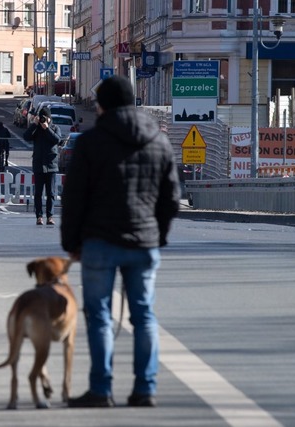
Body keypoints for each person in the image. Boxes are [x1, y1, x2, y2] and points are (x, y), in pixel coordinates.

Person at [60, 75, 180, 408]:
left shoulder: (89, 142)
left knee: (99, 316)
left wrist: (72, 242)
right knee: (144, 316)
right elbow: (171, 199)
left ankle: (101, 390)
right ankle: (146, 388)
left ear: (103, 105)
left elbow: (74, 199)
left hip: (99, 242)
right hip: (144, 242)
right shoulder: (158, 141)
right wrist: (158, 235)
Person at [23, 106, 61, 225]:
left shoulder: (55, 127)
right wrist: (34, 124)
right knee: (38, 193)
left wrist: (47, 128)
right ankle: (39, 217)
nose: (44, 120)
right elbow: (26, 137)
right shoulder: (36, 129)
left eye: (46, 117)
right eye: (42, 117)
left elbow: (57, 140)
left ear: (49, 118)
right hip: (39, 165)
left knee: (51, 193)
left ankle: (50, 216)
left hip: (51, 165)